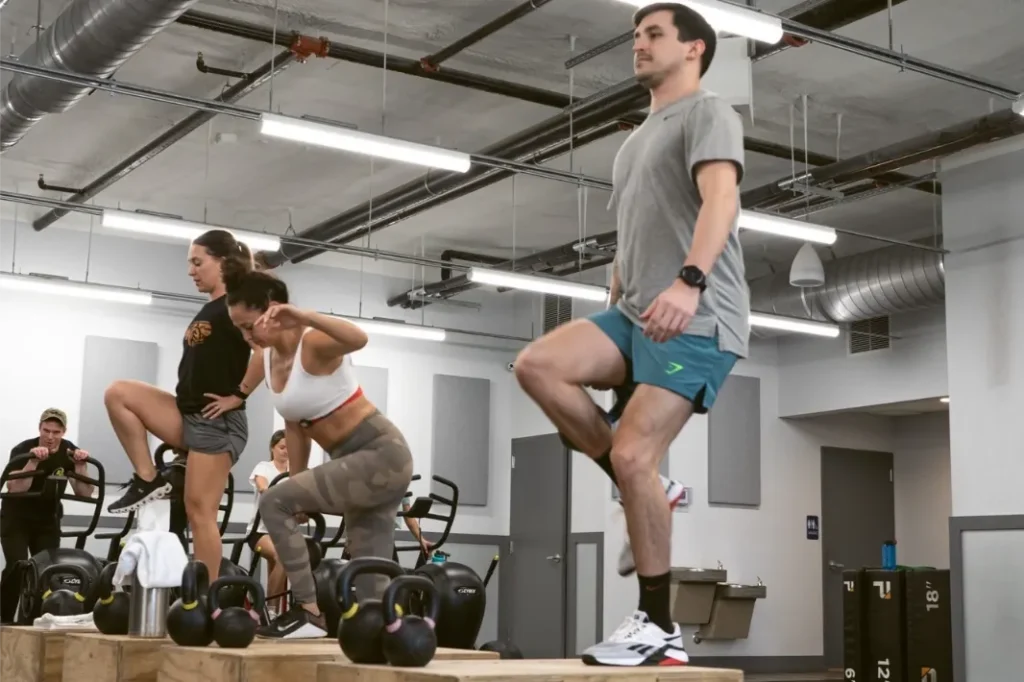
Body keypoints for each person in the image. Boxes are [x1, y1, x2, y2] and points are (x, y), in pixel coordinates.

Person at [514, 2, 747, 667]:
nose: (638, 45)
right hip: (637, 310)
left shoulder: (709, 113)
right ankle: (639, 488)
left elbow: (719, 200)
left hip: (699, 315)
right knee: (537, 366)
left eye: (653, 35)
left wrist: (691, 279)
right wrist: (617, 285)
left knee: (635, 454)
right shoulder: (634, 139)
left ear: (694, 49)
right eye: (635, 36)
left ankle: (658, 624)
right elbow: (641, 226)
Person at [224, 266, 413, 640]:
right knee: (369, 579)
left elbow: (358, 338)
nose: (246, 336)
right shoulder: (266, 357)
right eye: (239, 328)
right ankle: (383, 642)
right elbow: (295, 425)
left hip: (381, 453)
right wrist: (298, 483)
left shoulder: (313, 344)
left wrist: (304, 315)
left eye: (249, 326)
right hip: (351, 461)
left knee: (272, 502)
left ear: (272, 311)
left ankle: (309, 612)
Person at [103, 230, 266, 582]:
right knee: (118, 393)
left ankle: (205, 600)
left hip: (217, 422)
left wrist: (239, 395)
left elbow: (265, 352)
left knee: (199, 511)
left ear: (222, 261)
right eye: (189, 263)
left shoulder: (237, 303)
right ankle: (147, 478)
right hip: (186, 412)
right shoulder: (210, 306)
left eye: (197, 262)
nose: (191, 271)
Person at [0, 408, 95, 622]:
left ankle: (35, 620)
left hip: (46, 520)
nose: (50, 437)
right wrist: (33, 461)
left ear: (63, 432)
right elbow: (15, 488)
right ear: (39, 428)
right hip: (16, 518)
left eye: (56, 432)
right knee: (18, 565)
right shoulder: (23, 449)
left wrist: (80, 466)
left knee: (46, 571)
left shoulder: (70, 451)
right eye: (46, 430)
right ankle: (4, 620)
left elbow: (84, 492)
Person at [246, 429, 289, 616]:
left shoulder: (294, 471)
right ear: (273, 448)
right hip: (259, 533)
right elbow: (263, 485)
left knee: (281, 561)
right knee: (283, 556)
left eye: (289, 448)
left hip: (283, 532)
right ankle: (269, 611)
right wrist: (270, 492)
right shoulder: (264, 467)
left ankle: (277, 614)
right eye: (282, 447)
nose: (285, 451)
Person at [393, 491, 433, 563]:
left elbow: (408, 514)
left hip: (388, 536)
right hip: (370, 534)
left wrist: (421, 539)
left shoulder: (401, 482)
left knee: (392, 568)